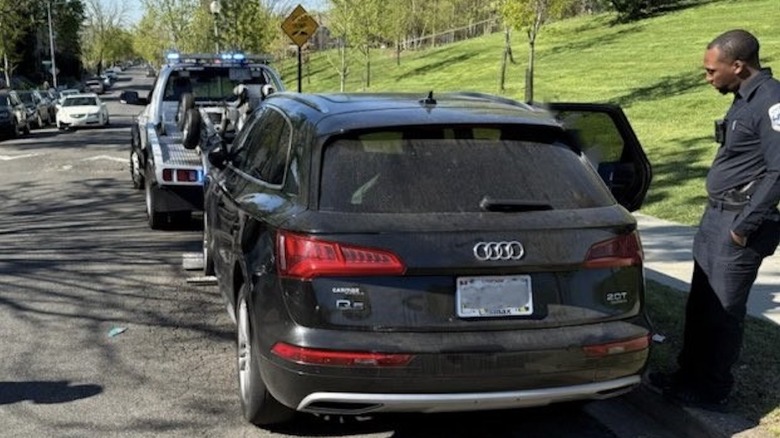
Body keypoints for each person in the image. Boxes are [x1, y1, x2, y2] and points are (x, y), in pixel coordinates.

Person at [651, 29, 780, 412]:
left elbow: (779, 171)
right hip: (715, 218)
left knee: (723, 314)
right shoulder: (743, 97)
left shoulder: (771, 101)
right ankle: (686, 377)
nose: (707, 78)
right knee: (701, 306)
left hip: (737, 223)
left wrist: (743, 227)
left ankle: (712, 389)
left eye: (711, 70)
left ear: (737, 65)